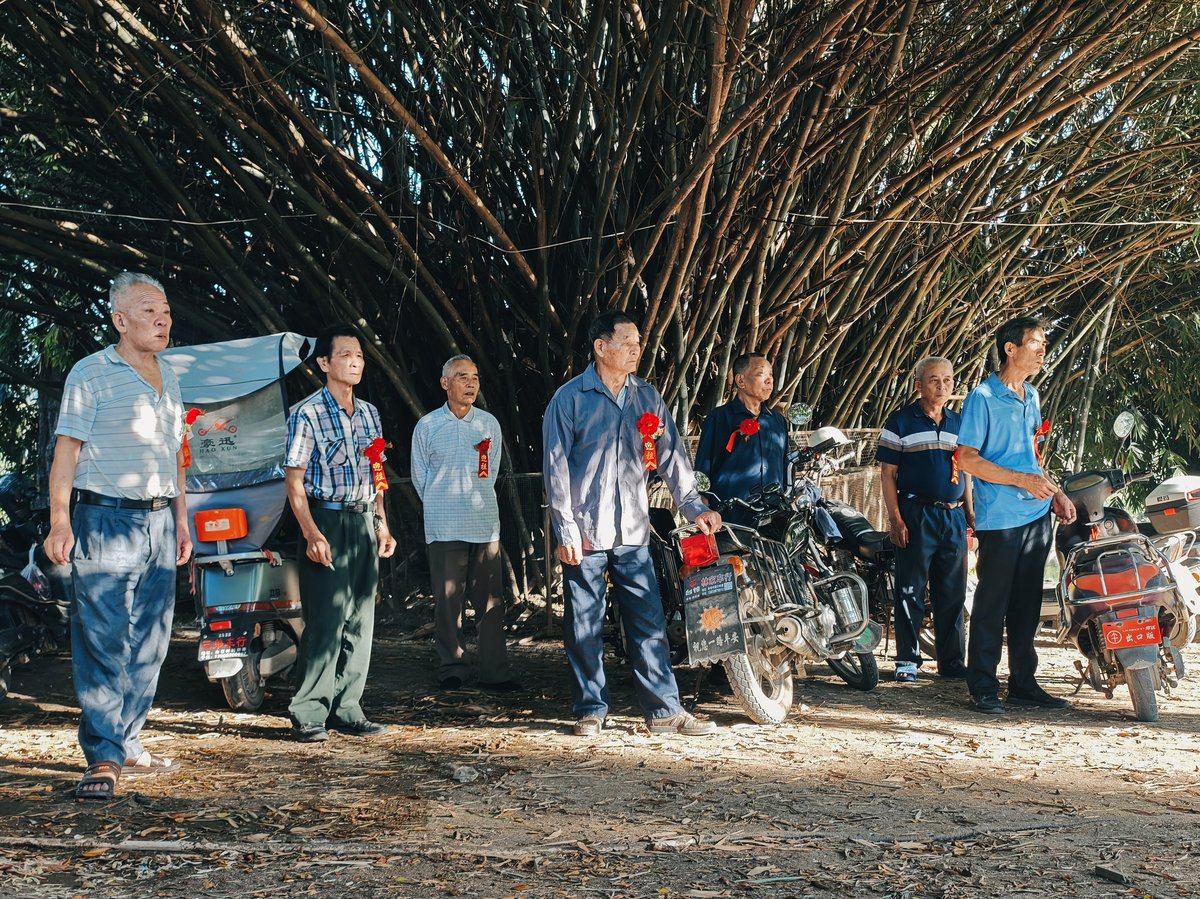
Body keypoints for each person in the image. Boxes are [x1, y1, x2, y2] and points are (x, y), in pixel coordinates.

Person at [44, 272, 193, 800]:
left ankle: (128, 739)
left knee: (152, 641)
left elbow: (175, 454)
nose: (163, 319)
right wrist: (60, 521)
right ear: (120, 320)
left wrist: (181, 518)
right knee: (105, 638)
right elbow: (67, 450)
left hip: (157, 520)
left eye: (167, 311)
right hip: (104, 520)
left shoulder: (170, 377)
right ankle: (103, 756)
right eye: (150, 310)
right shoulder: (91, 372)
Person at [543, 310, 723, 737]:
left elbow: (673, 459)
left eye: (639, 342)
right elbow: (555, 471)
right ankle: (590, 709)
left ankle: (664, 711)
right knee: (584, 623)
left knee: (649, 621)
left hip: (634, 532)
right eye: (626, 342)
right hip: (585, 532)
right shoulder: (569, 399)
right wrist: (565, 531)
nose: (636, 349)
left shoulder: (647, 397)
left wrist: (695, 509)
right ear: (600, 347)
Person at [956, 317, 1076, 714]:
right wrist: (1020, 481)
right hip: (1000, 518)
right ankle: (983, 687)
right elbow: (967, 459)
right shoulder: (982, 398)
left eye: (1044, 344)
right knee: (992, 604)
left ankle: (1024, 683)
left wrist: (1054, 491)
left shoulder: (1032, 395)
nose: (1043, 350)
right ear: (1010, 348)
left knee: (1027, 605)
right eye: (1036, 343)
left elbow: (1031, 456)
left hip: (1037, 515)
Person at [284, 323, 397, 742]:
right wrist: (312, 533)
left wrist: (382, 522)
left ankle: (348, 708)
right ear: (324, 362)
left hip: (364, 519)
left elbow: (378, 474)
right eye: (346, 354)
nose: (355, 362)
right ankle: (309, 711)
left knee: (361, 619)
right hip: (326, 519)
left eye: (360, 356)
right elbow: (294, 483)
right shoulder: (306, 413)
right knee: (326, 618)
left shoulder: (370, 413)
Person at [412, 355, 518, 693]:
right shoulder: (427, 426)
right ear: (445, 383)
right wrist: (441, 502)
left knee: (490, 602)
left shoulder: (488, 424)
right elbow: (419, 477)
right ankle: (451, 668)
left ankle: (494, 671)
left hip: (484, 523)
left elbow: (493, 471)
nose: (471, 383)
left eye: (475, 376)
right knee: (447, 602)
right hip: (443, 525)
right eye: (462, 376)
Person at [877, 356, 974, 684]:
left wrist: (970, 514)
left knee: (953, 592)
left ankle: (952, 662)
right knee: (910, 589)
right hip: (916, 514)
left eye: (947, 380)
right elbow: (888, 474)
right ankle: (907, 660)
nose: (942, 386)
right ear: (918, 384)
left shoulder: (960, 424)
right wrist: (895, 519)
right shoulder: (901, 421)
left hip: (953, 515)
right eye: (934, 380)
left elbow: (968, 473)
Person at [693, 353, 788, 524]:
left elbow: (785, 465)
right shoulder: (719, 418)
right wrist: (703, 506)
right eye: (761, 374)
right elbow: (703, 469)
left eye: (771, 375)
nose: (769, 381)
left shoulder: (777, 421)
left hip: (774, 514)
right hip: (730, 514)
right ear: (741, 381)